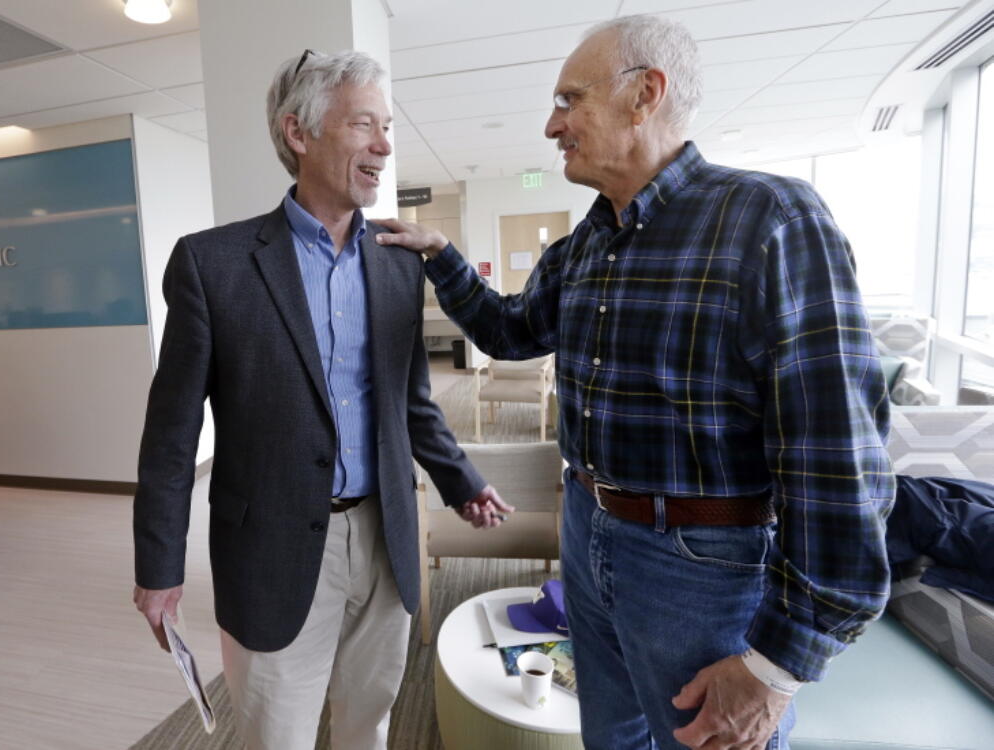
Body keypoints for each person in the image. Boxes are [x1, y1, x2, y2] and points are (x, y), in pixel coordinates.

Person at [376, 14, 893, 750]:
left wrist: (779, 666)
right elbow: (510, 330)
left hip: (700, 569)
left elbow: (837, 460)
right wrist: (441, 254)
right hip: (586, 529)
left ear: (645, 94)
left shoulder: (770, 221)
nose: (552, 126)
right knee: (611, 741)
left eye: (569, 100)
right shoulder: (584, 245)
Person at [132, 49, 512, 750]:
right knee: (277, 732)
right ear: (299, 133)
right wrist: (158, 570)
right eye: (363, 124)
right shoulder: (211, 264)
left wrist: (462, 483)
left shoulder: (400, 259)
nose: (384, 144)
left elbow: (411, 402)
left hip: (385, 530)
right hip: (270, 547)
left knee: (368, 721)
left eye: (387, 126)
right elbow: (171, 436)